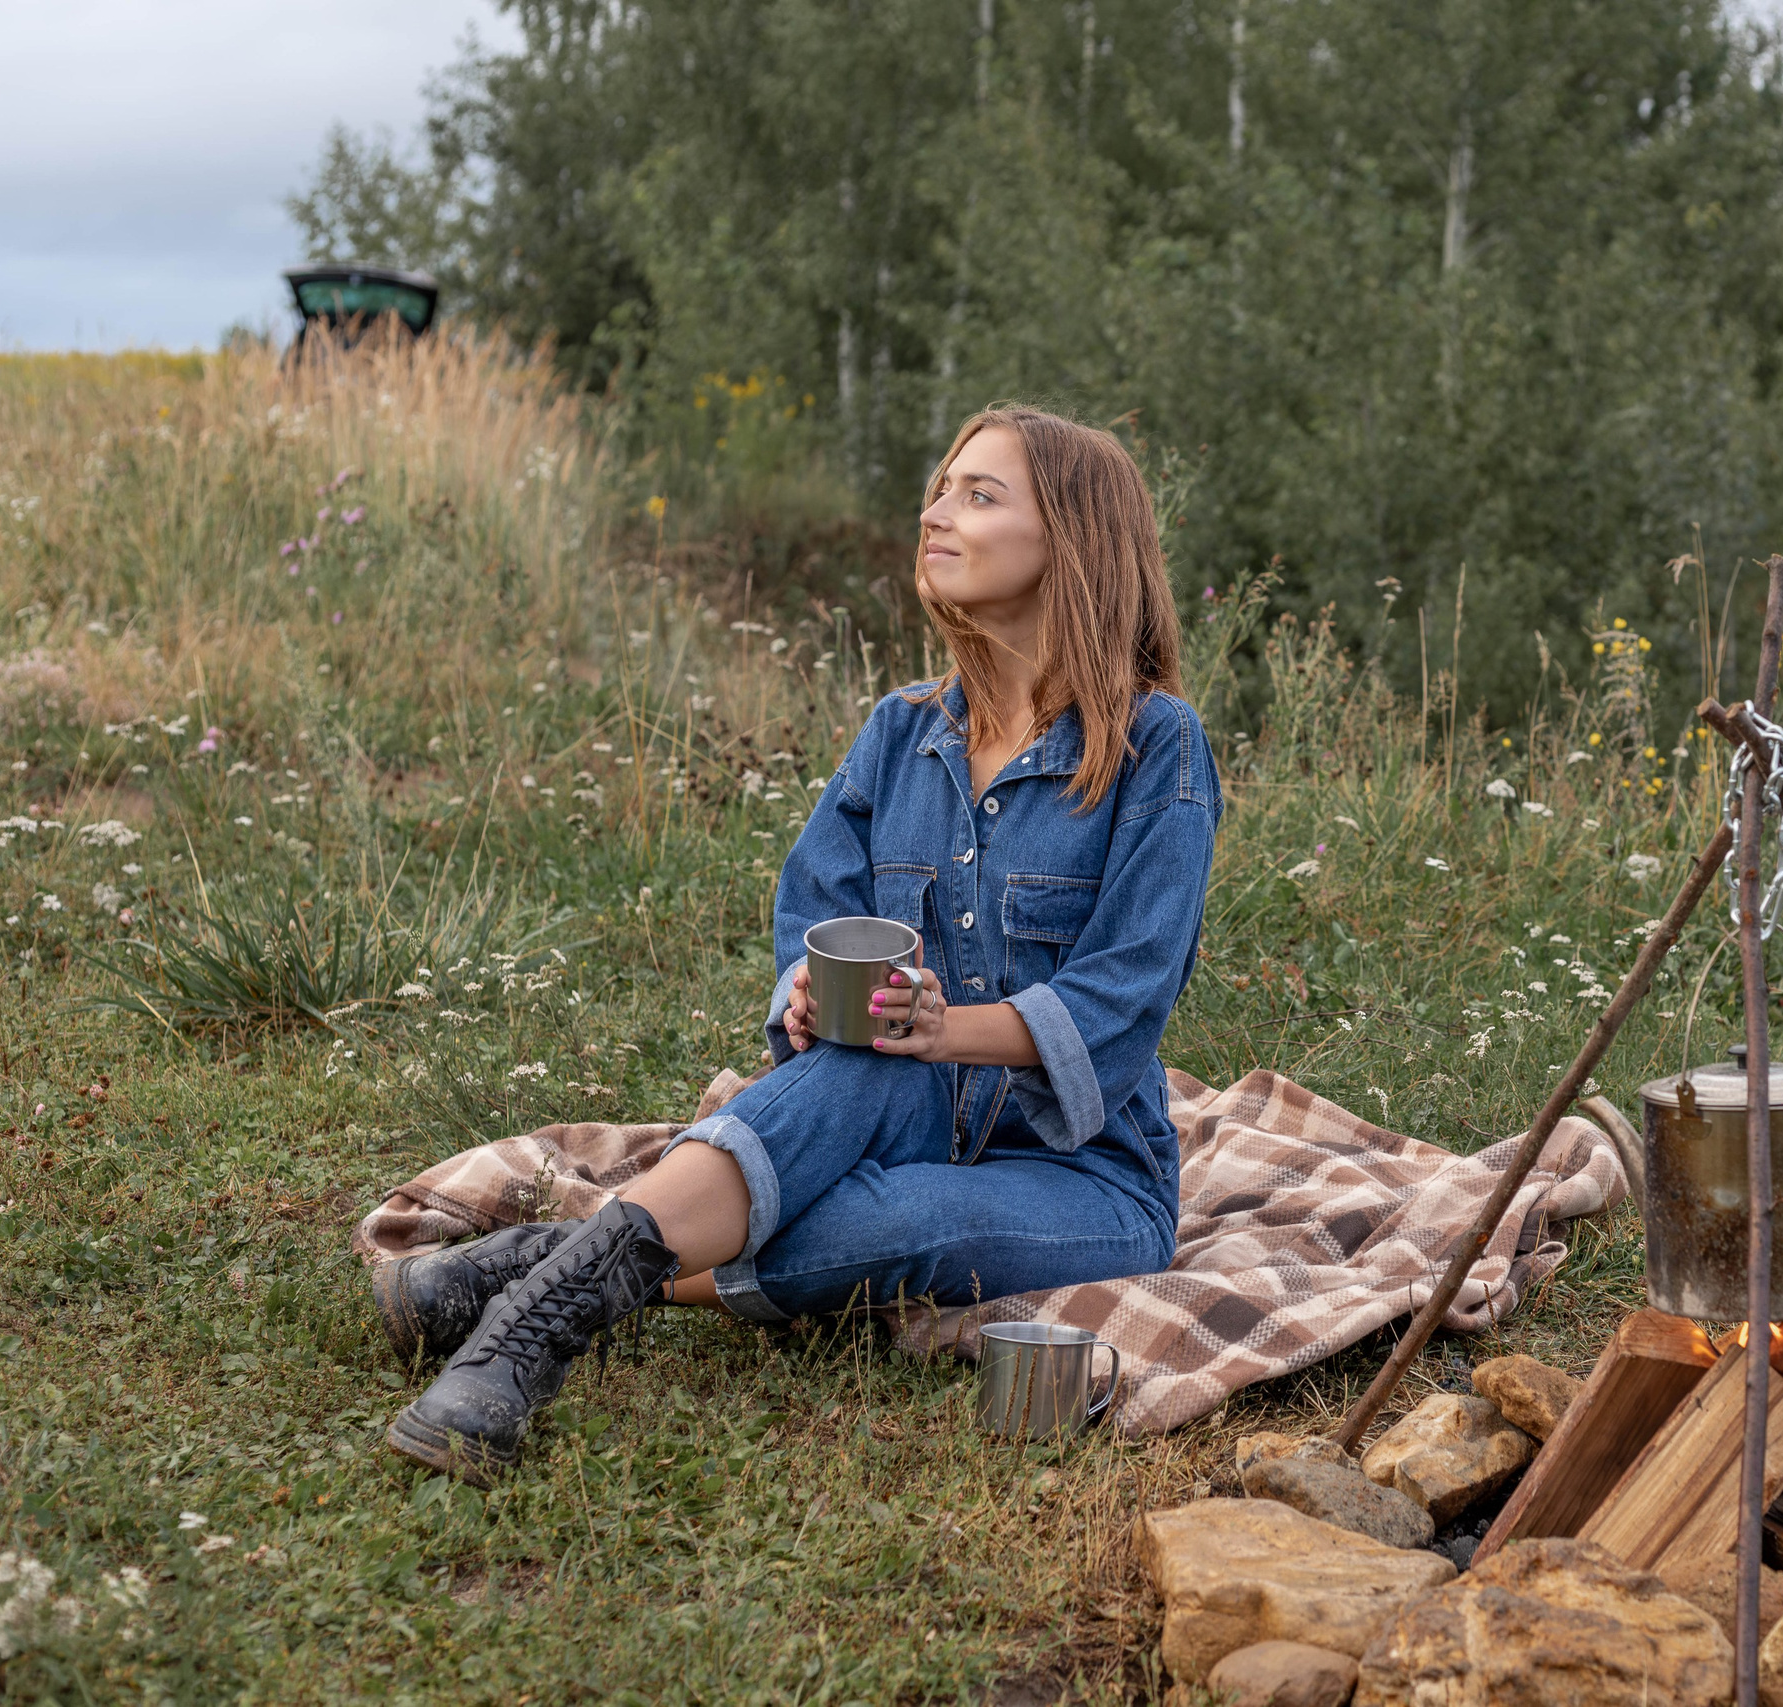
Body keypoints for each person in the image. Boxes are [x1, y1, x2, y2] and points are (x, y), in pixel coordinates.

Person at [377, 405, 1222, 1482]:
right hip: (898, 1100)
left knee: (896, 1220)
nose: (936, 513)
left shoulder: (1158, 745)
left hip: (1086, 1168)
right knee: (847, 1073)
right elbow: (815, 904)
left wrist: (944, 1029)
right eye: (941, 487)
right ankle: (535, 1329)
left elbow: (1126, 992)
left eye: (979, 495)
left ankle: (537, 1285)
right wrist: (805, 996)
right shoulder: (900, 731)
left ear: (1074, 538)